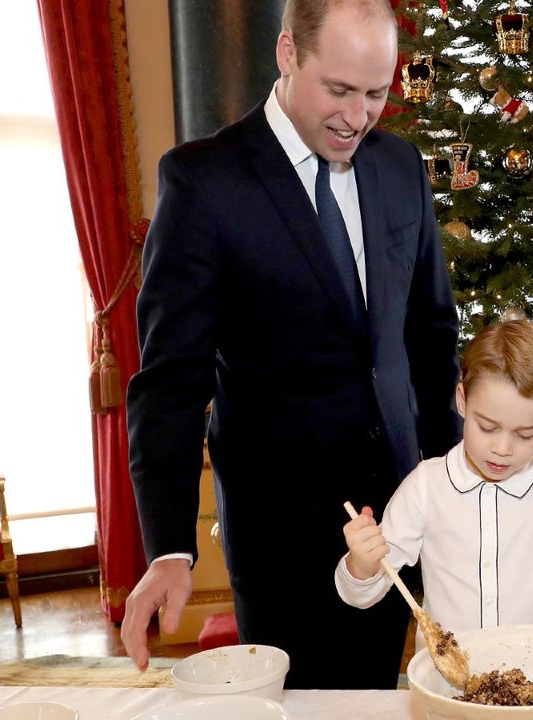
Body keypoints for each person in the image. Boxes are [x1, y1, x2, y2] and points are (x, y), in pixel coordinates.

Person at [122, 0, 462, 690]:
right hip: (283, 538)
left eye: (376, 93)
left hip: (399, 515)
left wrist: (451, 484)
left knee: (379, 697)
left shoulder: (399, 167)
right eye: (338, 90)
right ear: (287, 54)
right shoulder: (204, 181)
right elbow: (171, 381)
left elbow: (430, 338)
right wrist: (169, 547)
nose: (358, 116)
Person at [336, 321, 533, 681]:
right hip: (447, 689)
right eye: (487, 427)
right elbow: (361, 594)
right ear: (462, 400)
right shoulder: (426, 485)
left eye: (524, 434)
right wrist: (362, 565)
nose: (502, 449)